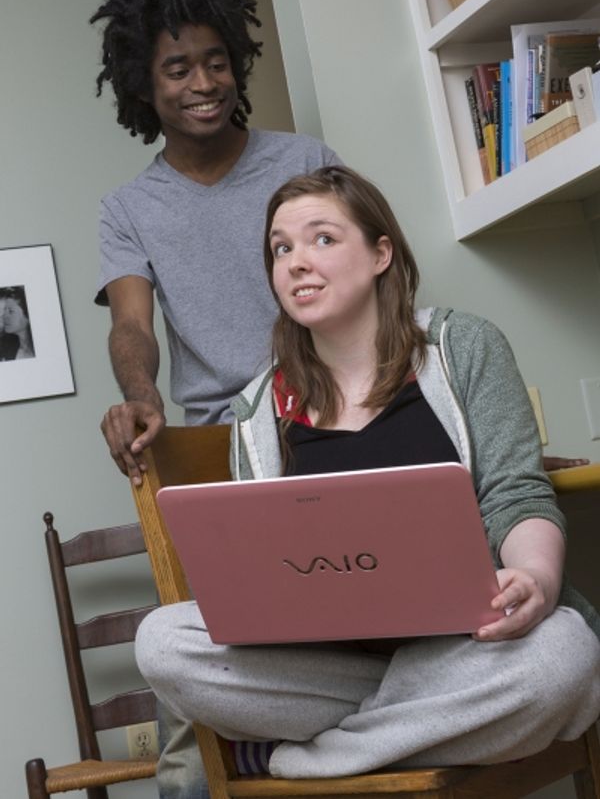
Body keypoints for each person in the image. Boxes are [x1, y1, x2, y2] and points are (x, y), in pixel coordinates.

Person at [136, 166, 600, 781]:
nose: (297, 262)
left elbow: (516, 493)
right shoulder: (254, 411)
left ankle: (306, 760)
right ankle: (436, 723)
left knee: (560, 655)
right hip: (334, 663)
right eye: (281, 248)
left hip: (472, 649)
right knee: (163, 641)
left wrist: (537, 580)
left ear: (382, 253)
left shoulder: (463, 347)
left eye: (323, 239)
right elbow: (264, 570)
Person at [90, 0, 341, 798]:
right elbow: (132, 323)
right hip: (215, 452)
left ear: (237, 64)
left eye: (215, 61)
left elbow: (358, 277)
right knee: (203, 659)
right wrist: (143, 395)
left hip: (329, 422)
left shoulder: (303, 161)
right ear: (143, 84)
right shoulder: (131, 207)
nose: (202, 84)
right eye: (176, 69)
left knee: (347, 629)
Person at [2, 287, 35, 360]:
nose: (4, 316)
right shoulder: (5, 347)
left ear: (27, 316)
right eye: (5, 311)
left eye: (11, 311)